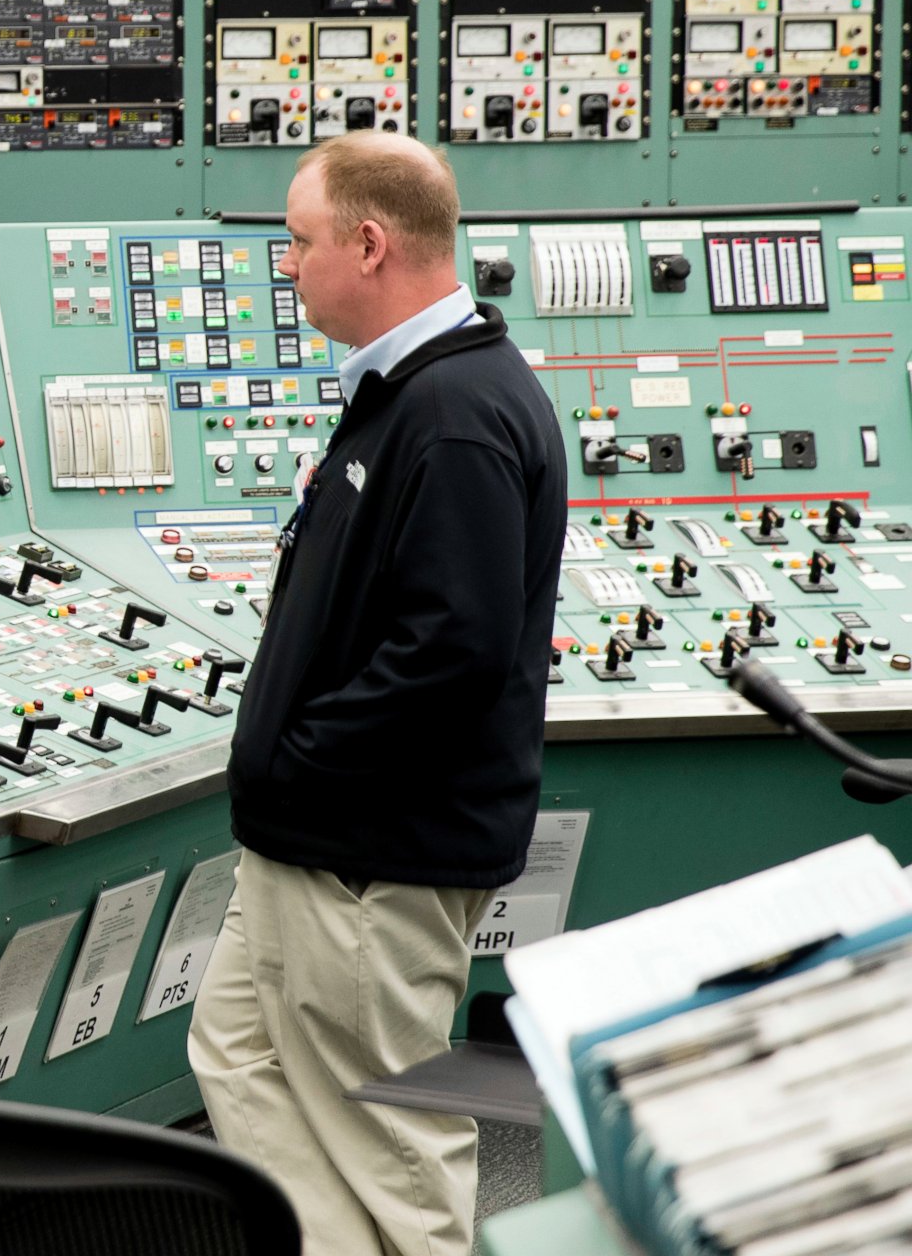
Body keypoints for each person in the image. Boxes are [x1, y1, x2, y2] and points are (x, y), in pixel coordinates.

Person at [189, 132, 565, 1256]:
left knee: (398, 1143)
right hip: (316, 838)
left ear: (368, 241)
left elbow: (452, 651)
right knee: (241, 1054)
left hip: (367, 852)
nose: (287, 267)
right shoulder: (410, 394)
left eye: (300, 243)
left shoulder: (454, 417)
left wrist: (300, 757)